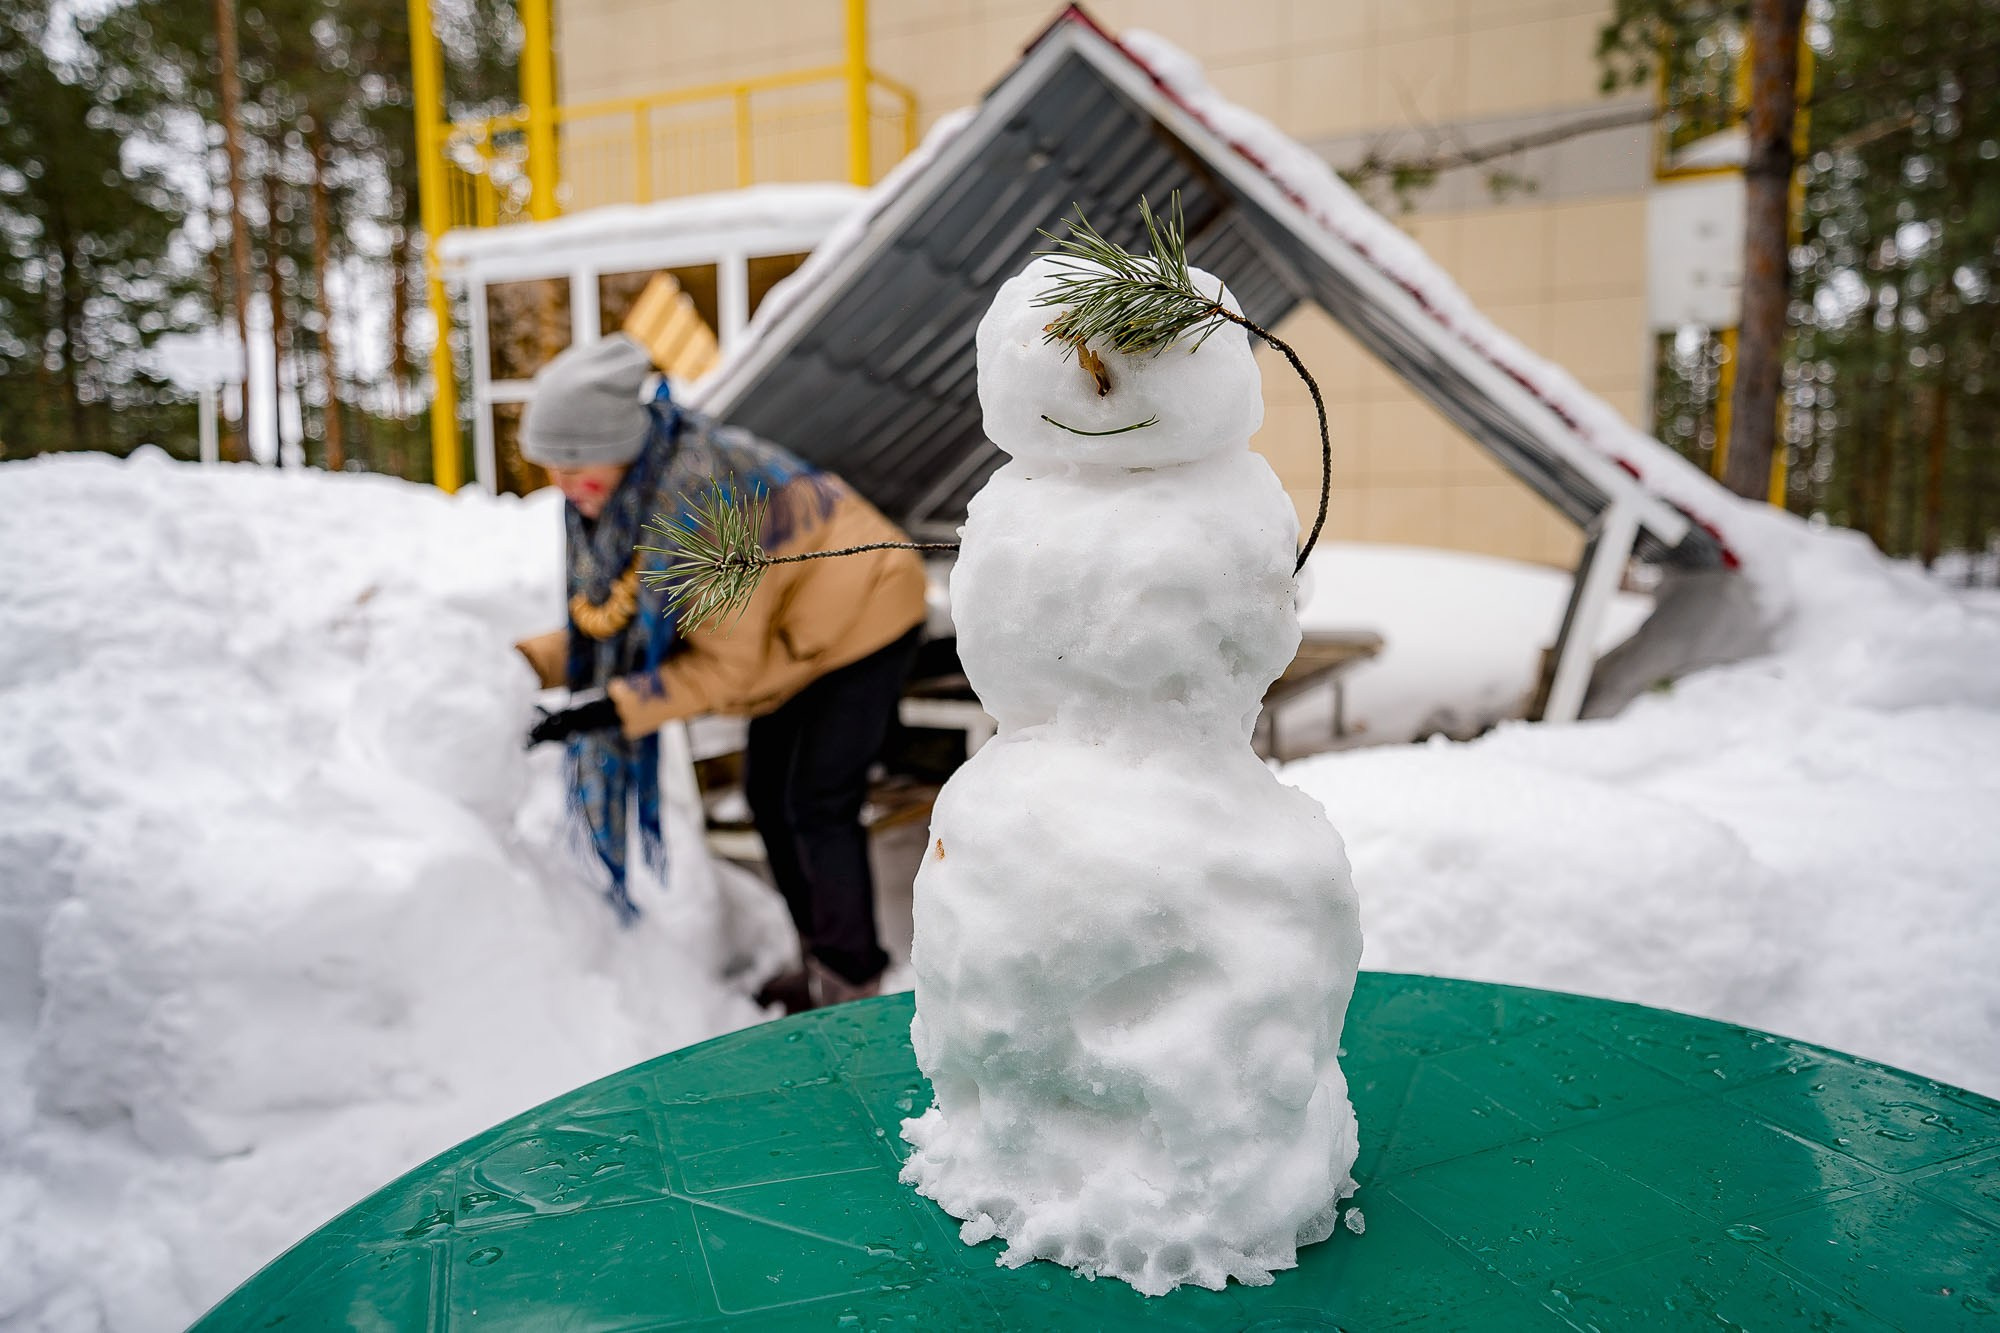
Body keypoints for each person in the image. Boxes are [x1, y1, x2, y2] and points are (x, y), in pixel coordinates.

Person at [515, 333, 926, 1008]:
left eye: (573, 464)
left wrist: (608, 707)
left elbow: (728, 669)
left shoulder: (700, 502)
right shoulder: (631, 494)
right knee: (769, 794)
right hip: (794, 626)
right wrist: (529, 664)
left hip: (865, 612)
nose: (561, 487)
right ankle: (820, 957)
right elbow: (620, 621)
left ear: (616, 446)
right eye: (550, 467)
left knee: (816, 800)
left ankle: (851, 981)